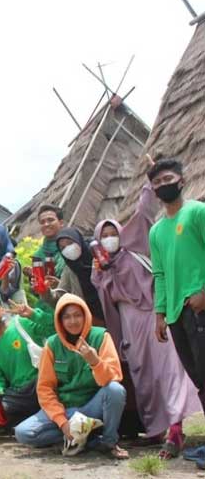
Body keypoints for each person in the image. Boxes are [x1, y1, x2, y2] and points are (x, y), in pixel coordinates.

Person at [92, 171, 200, 458]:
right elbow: (104, 300)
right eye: (104, 236)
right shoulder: (99, 269)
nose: (110, 238)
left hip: (154, 315)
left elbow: (143, 210)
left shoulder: (135, 247)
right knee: (144, 377)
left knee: (169, 372)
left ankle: (175, 428)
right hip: (129, 326)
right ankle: (155, 430)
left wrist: (149, 181)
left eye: (113, 233)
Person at [14, 294, 128, 459]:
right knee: (23, 433)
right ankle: (88, 439)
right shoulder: (52, 345)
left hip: (91, 407)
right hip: (66, 409)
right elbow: (45, 389)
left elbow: (113, 377)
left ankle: (109, 442)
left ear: (85, 316)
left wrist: (95, 362)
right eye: (67, 317)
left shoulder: (101, 337)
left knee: (115, 390)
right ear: (60, 320)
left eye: (77, 315)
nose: (73, 321)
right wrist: (63, 423)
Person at [145, 159, 205, 467]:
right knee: (198, 376)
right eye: (156, 183)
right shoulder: (156, 231)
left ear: (181, 180)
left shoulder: (197, 212)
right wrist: (160, 313)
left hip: (200, 307)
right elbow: (160, 274)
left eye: (167, 178)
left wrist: (204, 293)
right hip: (176, 314)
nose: (162, 185)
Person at [0, 294, 54, 438]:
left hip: (40, 383)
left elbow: (53, 327)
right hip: (18, 394)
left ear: (2, 309)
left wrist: (33, 314)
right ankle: (26, 422)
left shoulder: (22, 322)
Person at [42, 228, 104, 323]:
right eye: (62, 248)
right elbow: (60, 297)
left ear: (78, 240)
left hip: (114, 311)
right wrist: (45, 291)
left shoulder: (99, 258)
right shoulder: (69, 269)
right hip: (92, 321)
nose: (68, 249)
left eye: (70, 243)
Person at [32, 204, 66, 278]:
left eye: (50, 220)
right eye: (42, 222)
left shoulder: (71, 247)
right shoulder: (38, 256)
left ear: (61, 223)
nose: (46, 224)